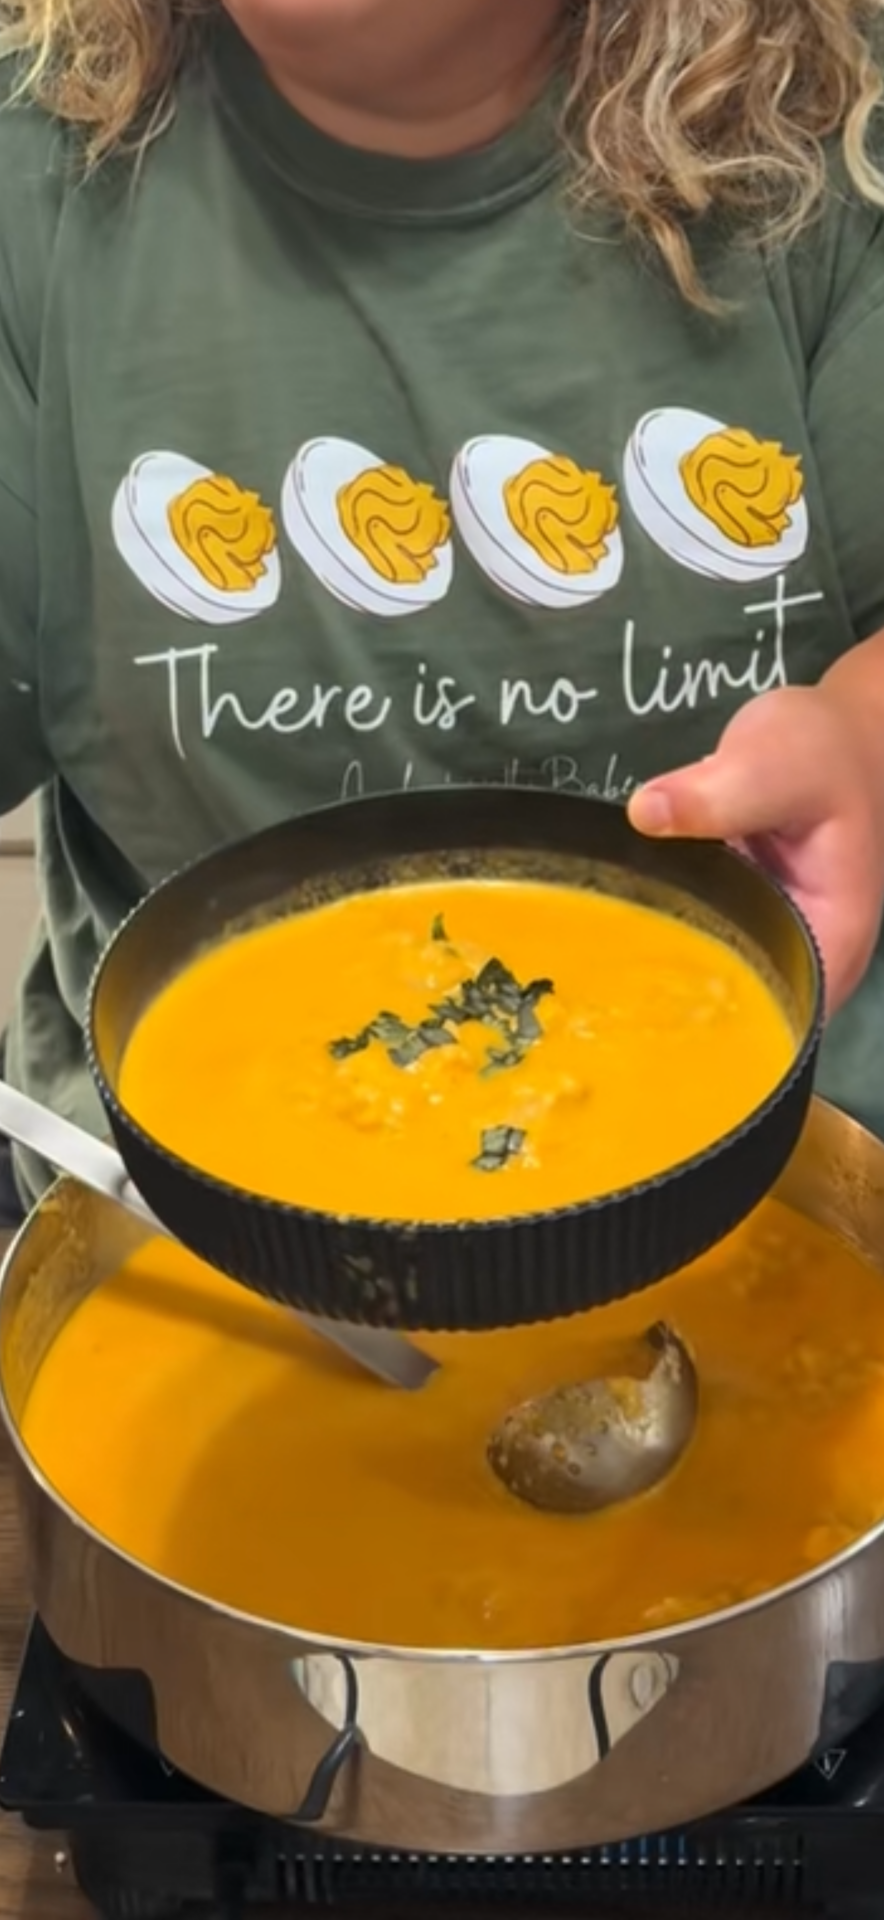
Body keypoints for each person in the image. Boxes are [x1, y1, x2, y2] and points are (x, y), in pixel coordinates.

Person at [0, 0, 883, 1223]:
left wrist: (864, 733)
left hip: (796, 1190)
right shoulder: (32, 181)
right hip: (190, 1247)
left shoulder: (833, 142)